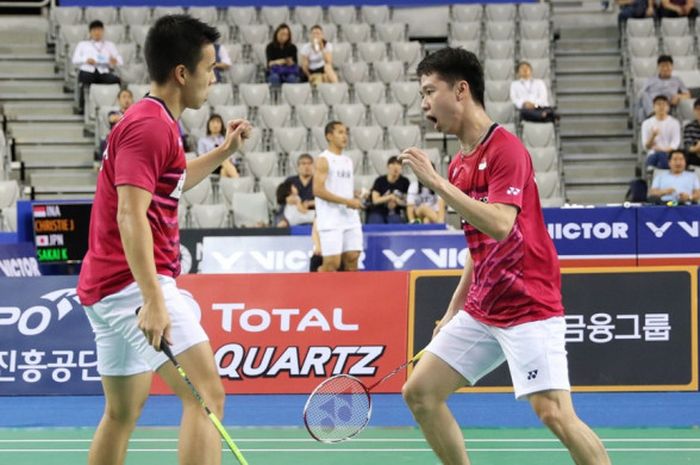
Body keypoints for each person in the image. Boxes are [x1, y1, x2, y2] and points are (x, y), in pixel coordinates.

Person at [398, 47, 611, 465]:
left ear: (461, 90)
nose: (423, 103)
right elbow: (479, 249)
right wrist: (453, 310)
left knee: (553, 412)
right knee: (420, 393)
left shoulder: (505, 150)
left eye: (429, 91)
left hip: (529, 304)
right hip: (483, 308)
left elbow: (500, 224)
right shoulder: (460, 165)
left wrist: (436, 184)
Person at [76, 15, 252, 465]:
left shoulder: (156, 122)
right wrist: (153, 299)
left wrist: (225, 152)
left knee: (121, 411)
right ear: (181, 73)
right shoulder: (149, 127)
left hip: (107, 286)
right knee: (207, 394)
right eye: (209, 69)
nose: (212, 79)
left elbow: (170, 182)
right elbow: (129, 213)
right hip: (133, 286)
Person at [313, 121, 363, 272]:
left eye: (346, 132)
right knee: (332, 264)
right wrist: (347, 201)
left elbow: (338, 186)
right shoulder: (324, 159)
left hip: (350, 218)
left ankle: (350, 295)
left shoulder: (348, 161)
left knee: (352, 259)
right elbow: (318, 190)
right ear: (329, 136)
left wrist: (353, 195)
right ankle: (317, 292)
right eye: (340, 132)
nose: (345, 136)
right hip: (330, 218)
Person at [72, 20, 123, 112]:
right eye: (94, 30)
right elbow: (75, 59)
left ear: (103, 31)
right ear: (90, 32)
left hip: (103, 71)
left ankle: (113, 106)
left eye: (99, 30)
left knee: (116, 80)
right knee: (85, 79)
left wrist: (114, 61)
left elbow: (119, 60)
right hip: (88, 70)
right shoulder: (83, 44)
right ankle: (83, 107)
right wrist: (86, 60)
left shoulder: (109, 45)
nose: (97, 32)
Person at [638, 55, 691, 121]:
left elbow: (687, 95)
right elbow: (640, 95)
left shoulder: (677, 80)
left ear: (672, 67)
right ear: (658, 67)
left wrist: (678, 96)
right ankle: (653, 114)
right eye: (662, 66)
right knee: (643, 94)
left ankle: (654, 116)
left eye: (668, 66)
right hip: (653, 104)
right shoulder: (650, 80)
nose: (665, 68)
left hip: (668, 105)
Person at [641, 95, 682, 169]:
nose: (661, 106)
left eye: (664, 104)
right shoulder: (646, 123)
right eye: (658, 104)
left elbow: (675, 145)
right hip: (653, 155)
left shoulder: (675, 123)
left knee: (662, 156)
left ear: (668, 107)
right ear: (653, 107)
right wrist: (653, 136)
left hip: (670, 155)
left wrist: (661, 150)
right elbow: (646, 146)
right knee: (658, 157)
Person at [367, 156, 410, 224]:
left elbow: (408, 201)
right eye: (393, 164)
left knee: (395, 222)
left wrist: (396, 201)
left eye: (398, 164)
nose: (396, 167)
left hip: (396, 212)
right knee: (376, 221)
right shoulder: (380, 180)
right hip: (378, 211)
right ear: (387, 166)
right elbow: (375, 200)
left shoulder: (405, 182)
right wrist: (390, 197)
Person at [197, 113, 239, 178]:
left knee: (224, 171)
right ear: (208, 125)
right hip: (211, 166)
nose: (215, 125)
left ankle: (227, 186)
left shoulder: (226, 139)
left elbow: (232, 156)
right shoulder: (203, 141)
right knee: (223, 160)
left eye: (218, 122)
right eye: (213, 122)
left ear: (221, 125)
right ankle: (237, 181)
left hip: (225, 164)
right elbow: (201, 157)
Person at [99, 88, 133, 156]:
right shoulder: (113, 113)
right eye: (124, 97)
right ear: (118, 100)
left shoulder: (134, 113)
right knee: (104, 142)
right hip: (116, 140)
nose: (127, 99)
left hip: (130, 140)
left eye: (129, 97)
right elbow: (112, 119)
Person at [682, 98, 700, 167]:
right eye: (698, 109)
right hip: (695, 156)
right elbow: (687, 147)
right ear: (694, 110)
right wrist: (697, 148)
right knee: (686, 156)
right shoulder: (689, 127)